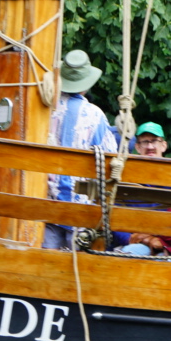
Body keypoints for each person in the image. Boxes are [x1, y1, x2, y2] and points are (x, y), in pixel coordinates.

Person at [43, 50, 120, 249]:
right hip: (79, 205)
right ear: (86, 85)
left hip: (45, 201)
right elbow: (110, 157)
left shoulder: (45, 109)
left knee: (47, 258)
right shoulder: (95, 115)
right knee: (75, 260)